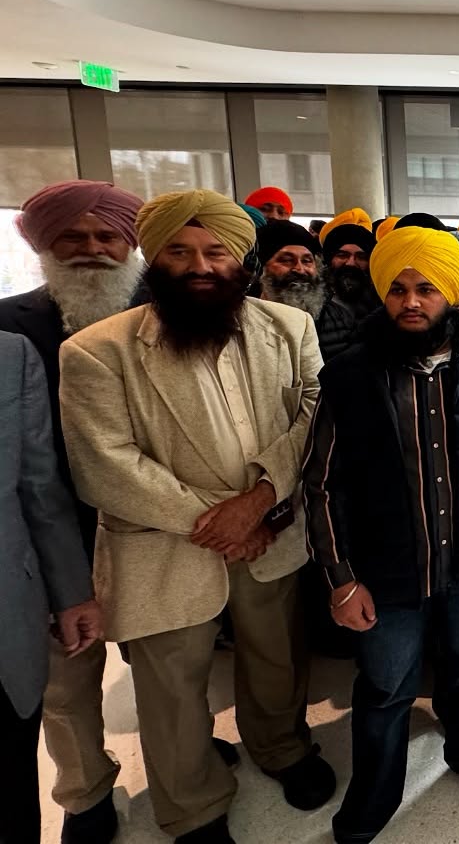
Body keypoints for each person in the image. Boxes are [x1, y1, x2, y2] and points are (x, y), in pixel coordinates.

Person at [59, 189, 333, 844]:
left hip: (269, 527)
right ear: (153, 258)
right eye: (179, 252)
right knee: (172, 687)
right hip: (162, 542)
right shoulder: (97, 350)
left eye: (215, 251)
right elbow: (105, 464)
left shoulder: (288, 328)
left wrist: (259, 500)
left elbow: (315, 416)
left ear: (241, 259)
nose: (200, 266)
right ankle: (193, 806)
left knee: (276, 657)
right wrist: (218, 519)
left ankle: (281, 746)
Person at [302, 225, 459, 838]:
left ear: (451, 293)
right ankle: (375, 798)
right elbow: (321, 484)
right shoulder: (350, 373)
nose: (411, 302)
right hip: (387, 570)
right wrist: (341, 579)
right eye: (398, 289)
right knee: (385, 690)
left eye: (426, 288)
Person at [0, 180, 143, 843]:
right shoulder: (8, 328)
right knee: (67, 681)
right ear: (43, 245)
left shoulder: (167, 313)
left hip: (153, 527)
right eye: (72, 237)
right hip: (54, 537)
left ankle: (186, 750)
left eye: (107, 235)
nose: (92, 248)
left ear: (130, 244)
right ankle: (85, 793)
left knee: (172, 664)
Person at [1, 331, 105, 844]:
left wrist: (69, 592)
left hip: (9, 620)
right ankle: (86, 793)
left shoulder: (9, 354)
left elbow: (37, 486)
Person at [316, 216, 379, 361]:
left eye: (361, 257)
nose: (351, 263)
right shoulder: (313, 303)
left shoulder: (379, 301)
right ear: (330, 259)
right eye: (342, 255)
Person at [255, 218, 327, 319]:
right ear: (261, 268)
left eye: (306, 261)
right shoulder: (243, 316)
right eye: (287, 260)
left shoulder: (337, 317)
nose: (300, 270)